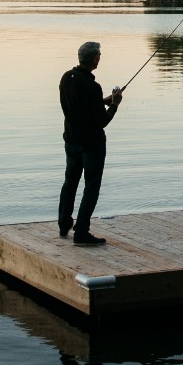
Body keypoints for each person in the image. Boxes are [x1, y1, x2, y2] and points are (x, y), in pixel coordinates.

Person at [59, 40, 122, 244]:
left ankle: (64, 223)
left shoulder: (67, 78)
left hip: (71, 141)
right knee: (91, 186)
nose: (100, 58)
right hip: (91, 145)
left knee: (70, 183)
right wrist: (115, 105)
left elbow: (81, 108)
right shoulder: (92, 86)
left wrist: (104, 101)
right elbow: (101, 121)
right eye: (99, 56)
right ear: (94, 59)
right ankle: (82, 232)